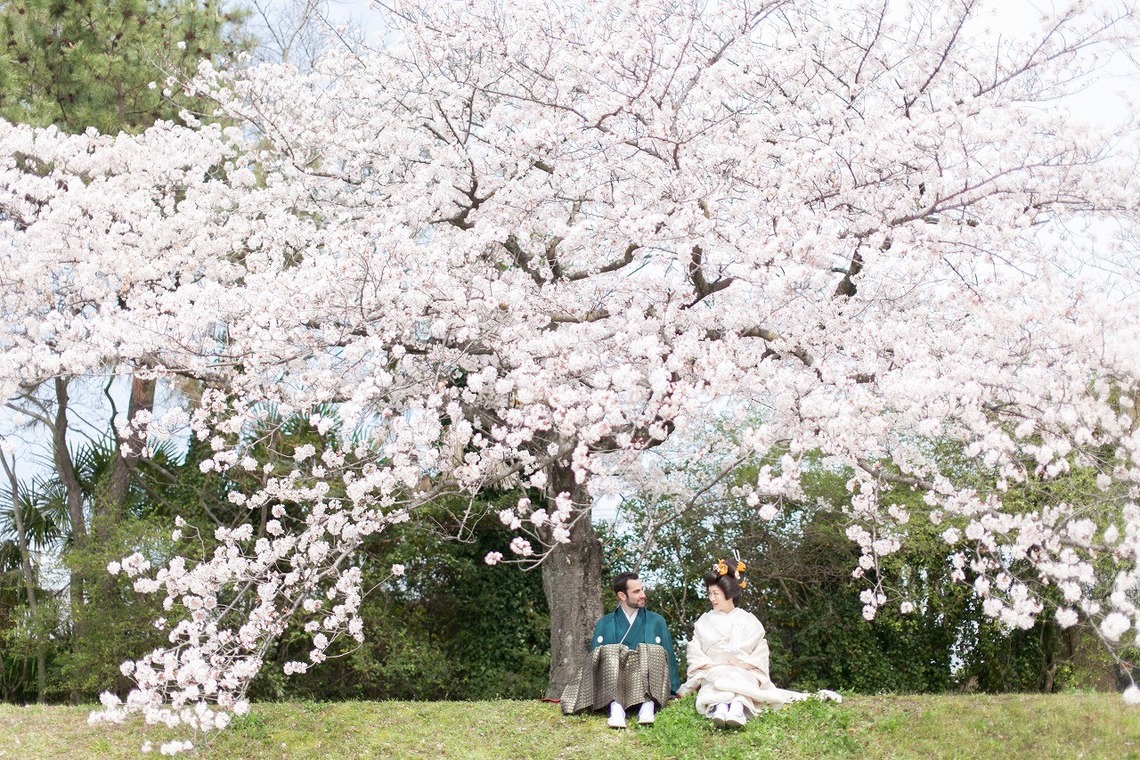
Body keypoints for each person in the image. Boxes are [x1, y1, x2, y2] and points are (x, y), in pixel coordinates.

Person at [677, 557, 841, 728]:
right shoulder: (704, 621)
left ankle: (737, 710)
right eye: (710, 593)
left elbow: (760, 652)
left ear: (729, 594)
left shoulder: (748, 620)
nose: (712, 598)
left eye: (716, 593)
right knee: (718, 682)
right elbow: (695, 653)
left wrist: (743, 665)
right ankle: (719, 709)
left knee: (739, 680)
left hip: (744, 671)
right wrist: (714, 665)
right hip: (714, 670)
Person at [559, 572, 681, 728]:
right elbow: (595, 661)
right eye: (636, 592)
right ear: (622, 596)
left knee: (654, 651)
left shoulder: (657, 621)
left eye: (642, 589)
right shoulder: (605, 623)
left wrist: (675, 689)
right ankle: (615, 708)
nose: (643, 594)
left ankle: (647, 706)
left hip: (647, 683)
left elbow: (668, 656)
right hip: (616, 684)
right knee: (606, 652)